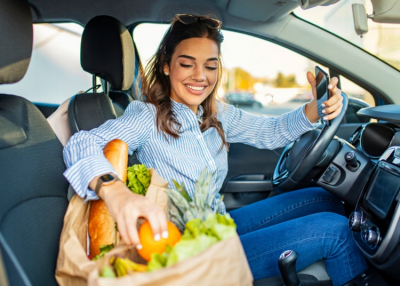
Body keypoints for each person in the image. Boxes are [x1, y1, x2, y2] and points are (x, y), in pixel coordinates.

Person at [63, 14, 367, 285]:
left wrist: (314, 110)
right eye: (187, 64)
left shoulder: (216, 114)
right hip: (191, 252)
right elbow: (81, 143)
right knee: (337, 232)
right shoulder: (147, 116)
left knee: (325, 198)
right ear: (167, 66)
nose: (200, 76)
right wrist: (115, 192)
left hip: (219, 224)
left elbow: (270, 131)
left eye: (210, 65)